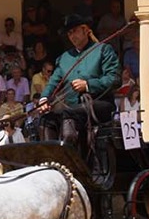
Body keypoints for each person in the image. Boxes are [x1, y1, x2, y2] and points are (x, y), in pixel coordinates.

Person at [36, 13, 121, 149]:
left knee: (69, 113)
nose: (72, 36)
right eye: (69, 33)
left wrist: (88, 85)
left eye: (74, 31)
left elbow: (114, 79)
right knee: (46, 119)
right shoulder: (65, 58)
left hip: (100, 103)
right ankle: (52, 160)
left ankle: (72, 157)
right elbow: (54, 82)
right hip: (72, 106)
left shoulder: (103, 50)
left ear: (85, 30)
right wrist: (44, 99)